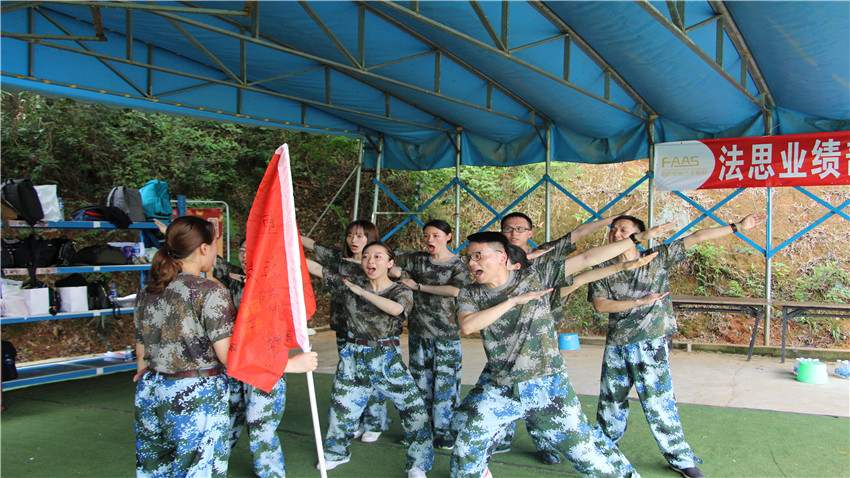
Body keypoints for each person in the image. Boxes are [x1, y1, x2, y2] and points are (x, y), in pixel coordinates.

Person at [451, 225, 672, 478]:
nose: (471, 263)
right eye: (468, 257)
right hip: (502, 386)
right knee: (466, 446)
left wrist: (635, 239)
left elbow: (587, 259)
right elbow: (468, 326)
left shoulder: (534, 277)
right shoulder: (471, 292)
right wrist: (512, 301)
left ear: (502, 257)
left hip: (546, 385)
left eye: (478, 256)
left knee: (586, 455)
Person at [588, 214, 766, 478]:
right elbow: (601, 305)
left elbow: (696, 237)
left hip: (651, 343)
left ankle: (679, 457)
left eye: (624, 230)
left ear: (640, 235)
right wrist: (639, 302)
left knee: (659, 400)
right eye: (613, 230)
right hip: (617, 344)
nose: (616, 234)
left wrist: (737, 227)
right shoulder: (603, 268)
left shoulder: (656, 257)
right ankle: (603, 448)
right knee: (611, 400)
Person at [496, 206, 640, 464]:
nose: (514, 233)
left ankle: (545, 443)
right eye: (508, 228)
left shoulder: (547, 255)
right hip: (506, 336)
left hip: (542, 334)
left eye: (520, 228)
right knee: (503, 383)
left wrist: (612, 220)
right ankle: (501, 438)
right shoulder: (492, 258)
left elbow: (581, 235)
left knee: (543, 390)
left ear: (530, 232)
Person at [307, 242, 434, 478]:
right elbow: (315, 268)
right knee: (340, 409)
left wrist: (363, 293)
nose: (370, 261)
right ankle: (336, 452)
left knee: (414, 410)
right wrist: (283, 251)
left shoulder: (400, 290)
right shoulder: (351, 285)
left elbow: (396, 310)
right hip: (354, 355)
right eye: (366, 256)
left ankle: (418, 463)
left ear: (390, 263)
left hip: (387, 358)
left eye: (377, 256)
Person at [133, 216, 236, 477]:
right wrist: (287, 364)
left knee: (155, 470)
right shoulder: (209, 291)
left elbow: (141, 349)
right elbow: (228, 356)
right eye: (214, 245)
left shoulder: (148, 291)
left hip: (151, 391)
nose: (215, 251)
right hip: (195, 396)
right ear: (204, 247)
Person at [215, 236, 320, 478]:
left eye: (249, 251)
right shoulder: (233, 278)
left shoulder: (277, 285)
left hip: (265, 365)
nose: (244, 256)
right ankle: (213, 465)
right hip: (235, 361)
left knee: (260, 424)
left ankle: (271, 473)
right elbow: (203, 255)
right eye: (241, 251)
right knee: (227, 417)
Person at [301, 220, 388, 442]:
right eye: (350, 235)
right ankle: (354, 420)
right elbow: (312, 247)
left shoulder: (378, 262)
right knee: (350, 375)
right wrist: (285, 235)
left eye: (360, 236)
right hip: (343, 326)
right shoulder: (339, 261)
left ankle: (375, 422)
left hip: (370, 331)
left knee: (373, 375)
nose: (354, 240)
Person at [391, 220, 469, 450]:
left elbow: (455, 290)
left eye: (436, 235)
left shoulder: (460, 264)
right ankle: (419, 430)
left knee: (446, 385)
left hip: (446, 335)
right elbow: (386, 257)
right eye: (426, 235)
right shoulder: (417, 259)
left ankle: (444, 431)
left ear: (448, 237)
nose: (429, 240)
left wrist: (418, 287)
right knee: (419, 383)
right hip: (418, 332)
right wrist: (394, 271)